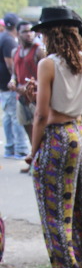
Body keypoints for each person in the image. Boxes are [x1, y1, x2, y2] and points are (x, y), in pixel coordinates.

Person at [26, 6, 82, 268]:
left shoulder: (48, 64)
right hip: (81, 134)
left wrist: (32, 151)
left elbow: (42, 116)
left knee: (54, 210)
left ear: (50, 34)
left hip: (57, 139)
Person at [7, 21, 46, 145]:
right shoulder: (15, 52)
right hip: (21, 98)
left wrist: (33, 85)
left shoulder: (39, 51)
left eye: (30, 31)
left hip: (36, 98)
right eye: (25, 32)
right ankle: (33, 159)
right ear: (18, 33)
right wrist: (12, 81)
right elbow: (14, 73)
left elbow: (46, 75)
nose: (29, 34)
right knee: (29, 132)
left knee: (40, 132)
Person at [0, 12, 30, 160]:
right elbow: (10, 64)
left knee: (8, 115)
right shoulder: (9, 41)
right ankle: (20, 148)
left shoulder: (3, 38)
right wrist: (15, 80)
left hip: (4, 84)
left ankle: (10, 147)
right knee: (15, 117)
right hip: (9, 85)